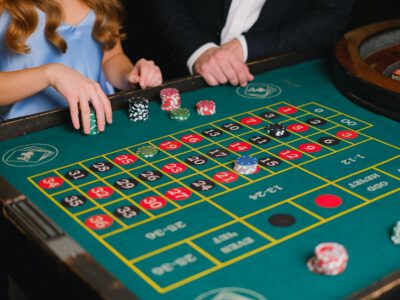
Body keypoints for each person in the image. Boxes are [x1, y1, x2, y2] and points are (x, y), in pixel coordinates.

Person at [0, 0, 162, 134]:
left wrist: (129, 75)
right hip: (25, 135)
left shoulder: (101, 3)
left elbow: (111, 57)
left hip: (97, 124)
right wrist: (50, 73)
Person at [154, 0, 352, 86]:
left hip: (273, 77)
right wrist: (198, 50)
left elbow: (332, 14)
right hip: (173, 70)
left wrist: (247, 47)